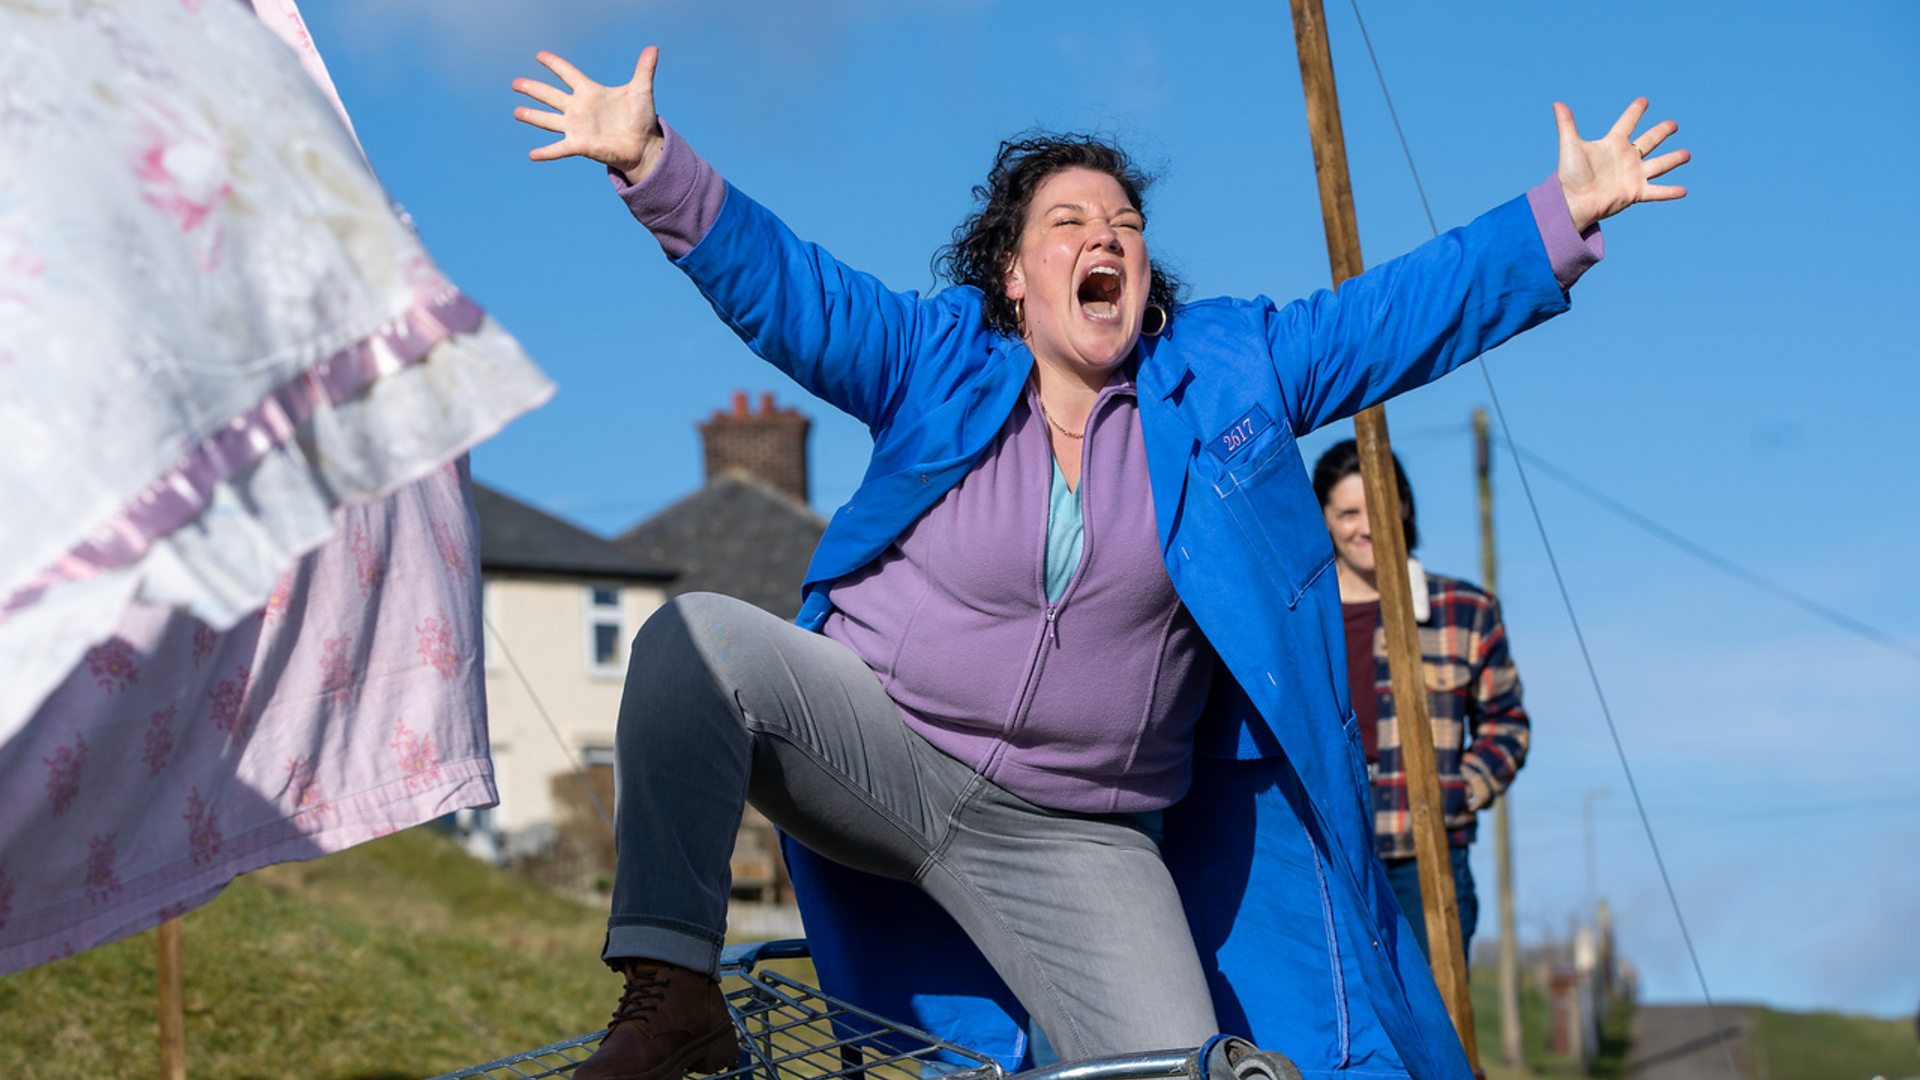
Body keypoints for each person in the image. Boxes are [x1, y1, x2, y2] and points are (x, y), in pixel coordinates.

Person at [510, 44, 1687, 1080]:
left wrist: (1558, 218)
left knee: (1173, 1070)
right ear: (1014, 277)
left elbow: (1391, 316)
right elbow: (790, 288)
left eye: (1123, 223)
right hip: (883, 746)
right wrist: (652, 162)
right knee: (695, 644)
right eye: (1068, 224)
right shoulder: (938, 360)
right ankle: (670, 996)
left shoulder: (1226, 377)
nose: (1104, 237)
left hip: (1080, 833)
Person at [1313, 440, 1529, 962]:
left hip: (1428, 861)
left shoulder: (1466, 610)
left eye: (1379, 507)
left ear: (1404, 506)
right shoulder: (1301, 616)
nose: (1366, 527)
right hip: (1326, 859)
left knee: (1438, 1032)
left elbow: (1507, 724)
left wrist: (1461, 790)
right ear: (1322, 516)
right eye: (1348, 513)